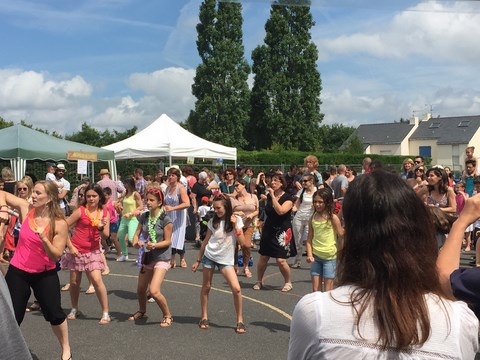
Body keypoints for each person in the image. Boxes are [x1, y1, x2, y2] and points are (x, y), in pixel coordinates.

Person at [288, 171, 479, 359]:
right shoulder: (460, 320)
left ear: (352, 236)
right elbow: (445, 280)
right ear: (420, 233)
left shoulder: (314, 312)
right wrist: (459, 224)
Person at [1, 182, 72, 360]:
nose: (33, 195)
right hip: (18, 271)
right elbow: (1, 193)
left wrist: (44, 239)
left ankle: (66, 349)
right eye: (33, 192)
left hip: (44, 274)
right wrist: (3, 208)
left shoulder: (59, 223)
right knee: (12, 316)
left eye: (38, 193)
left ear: (49, 198)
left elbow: (56, 255)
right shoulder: (26, 208)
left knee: (54, 314)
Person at [191, 195, 246, 334]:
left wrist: (234, 225)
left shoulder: (236, 220)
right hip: (210, 256)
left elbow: (243, 243)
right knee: (206, 286)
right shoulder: (212, 221)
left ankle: (240, 320)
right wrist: (198, 260)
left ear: (226, 207)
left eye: (219, 208)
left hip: (226, 259)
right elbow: (205, 242)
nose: (216, 210)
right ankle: (204, 316)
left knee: (236, 289)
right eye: (214, 208)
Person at [61, 184, 111, 325]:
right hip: (77, 250)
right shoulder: (80, 211)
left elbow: (106, 235)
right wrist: (70, 246)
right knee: (74, 282)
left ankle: (106, 312)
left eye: (94, 196)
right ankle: (74, 308)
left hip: (93, 251)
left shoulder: (104, 212)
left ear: (100, 197)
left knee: (96, 279)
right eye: (88, 196)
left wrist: (101, 227)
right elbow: (64, 226)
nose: (91, 198)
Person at [128, 187, 174, 327]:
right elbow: (136, 234)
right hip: (147, 256)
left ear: (159, 202)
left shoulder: (166, 219)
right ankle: (142, 310)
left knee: (154, 290)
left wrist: (155, 245)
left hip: (162, 257)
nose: (148, 202)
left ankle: (167, 315)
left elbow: (168, 241)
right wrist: (136, 242)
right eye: (147, 199)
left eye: (151, 200)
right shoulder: (144, 216)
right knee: (141, 288)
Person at [253, 173, 296, 292]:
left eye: (276, 181)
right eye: (272, 180)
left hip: (282, 231)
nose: (273, 183)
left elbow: (281, 211)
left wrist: (272, 196)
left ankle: (288, 282)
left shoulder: (288, 198)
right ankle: (259, 280)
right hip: (269, 229)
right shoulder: (269, 196)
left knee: (281, 260)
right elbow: (267, 211)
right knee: (263, 257)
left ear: (282, 183)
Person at [305, 188, 344, 292]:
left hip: (330, 258)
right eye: (315, 202)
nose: (317, 204)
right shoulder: (312, 218)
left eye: (320, 202)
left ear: (327, 202)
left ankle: (327, 308)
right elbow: (309, 239)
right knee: (315, 290)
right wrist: (309, 254)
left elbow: (341, 234)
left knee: (328, 290)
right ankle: (317, 308)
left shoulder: (333, 218)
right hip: (316, 257)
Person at [231, 178, 259, 278]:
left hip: (248, 225)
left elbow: (257, 210)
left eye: (237, 185)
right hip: (237, 226)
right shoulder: (233, 199)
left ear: (243, 185)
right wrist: (236, 212)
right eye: (234, 186)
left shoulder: (253, 197)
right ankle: (234, 266)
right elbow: (228, 212)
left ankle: (246, 266)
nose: (236, 187)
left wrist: (251, 215)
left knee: (246, 246)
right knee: (234, 247)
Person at [164, 167, 190, 268]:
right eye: (169, 175)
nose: (170, 177)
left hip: (178, 216)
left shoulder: (180, 188)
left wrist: (173, 208)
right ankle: (172, 258)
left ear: (177, 177)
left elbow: (187, 203)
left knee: (178, 237)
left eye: (173, 175)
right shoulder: (167, 188)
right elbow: (165, 202)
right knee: (169, 237)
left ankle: (182, 258)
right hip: (169, 216)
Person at [290, 173, 317, 269]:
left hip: (311, 219)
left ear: (311, 181)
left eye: (305, 181)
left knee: (308, 240)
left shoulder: (317, 192)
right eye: (302, 181)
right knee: (298, 241)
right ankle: (297, 261)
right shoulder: (301, 192)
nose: (303, 183)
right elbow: (296, 205)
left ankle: (314, 261)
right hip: (299, 218)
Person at [116, 177, 143, 262]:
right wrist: (119, 205)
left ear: (130, 184)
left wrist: (131, 213)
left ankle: (142, 255)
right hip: (124, 218)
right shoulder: (125, 193)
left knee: (132, 238)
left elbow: (141, 206)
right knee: (120, 236)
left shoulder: (135, 194)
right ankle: (124, 254)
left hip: (133, 219)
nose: (125, 185)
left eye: (126, 183)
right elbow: (118, 201)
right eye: (124, 183)